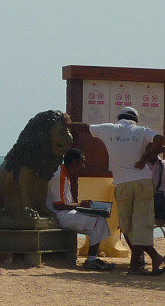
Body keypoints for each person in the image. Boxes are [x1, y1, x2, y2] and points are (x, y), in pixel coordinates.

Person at [68, 107, 164, 275]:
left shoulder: (108, 129)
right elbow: (160, 140)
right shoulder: (142, 131)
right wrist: (144, 158)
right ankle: (148, 260)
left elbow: (84, 127)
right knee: (141, 224)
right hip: (142, 182)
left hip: (121, 183)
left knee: (126, 226)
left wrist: (67, 124)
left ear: (119, 118)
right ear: (135, 120)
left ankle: (139, 265)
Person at [47, 148, 114, 270]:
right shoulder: (59, 176)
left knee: (98, 219)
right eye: (82, 162)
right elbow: (58, 205)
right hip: (58, 215)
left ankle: (92, 259)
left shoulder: (64, 175)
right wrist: (80, 205)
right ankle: (91, 260)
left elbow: (65, 203)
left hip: (64, 213)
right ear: (74, 162)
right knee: (98, 220)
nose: (84, 166)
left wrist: (82, 206)